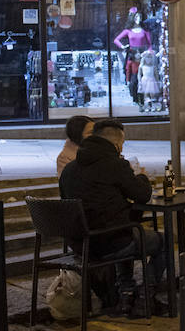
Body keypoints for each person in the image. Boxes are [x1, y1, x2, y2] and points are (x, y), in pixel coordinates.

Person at [58, 118, 167, 316]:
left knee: (125, 229)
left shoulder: (70, 170)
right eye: (122, 144)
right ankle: (145, 298)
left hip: (83, 245)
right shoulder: (115, 165)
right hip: (110, 242)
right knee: (163, 241)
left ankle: (126, 294)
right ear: (117, 145)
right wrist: (142, 177)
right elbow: (142, 194)